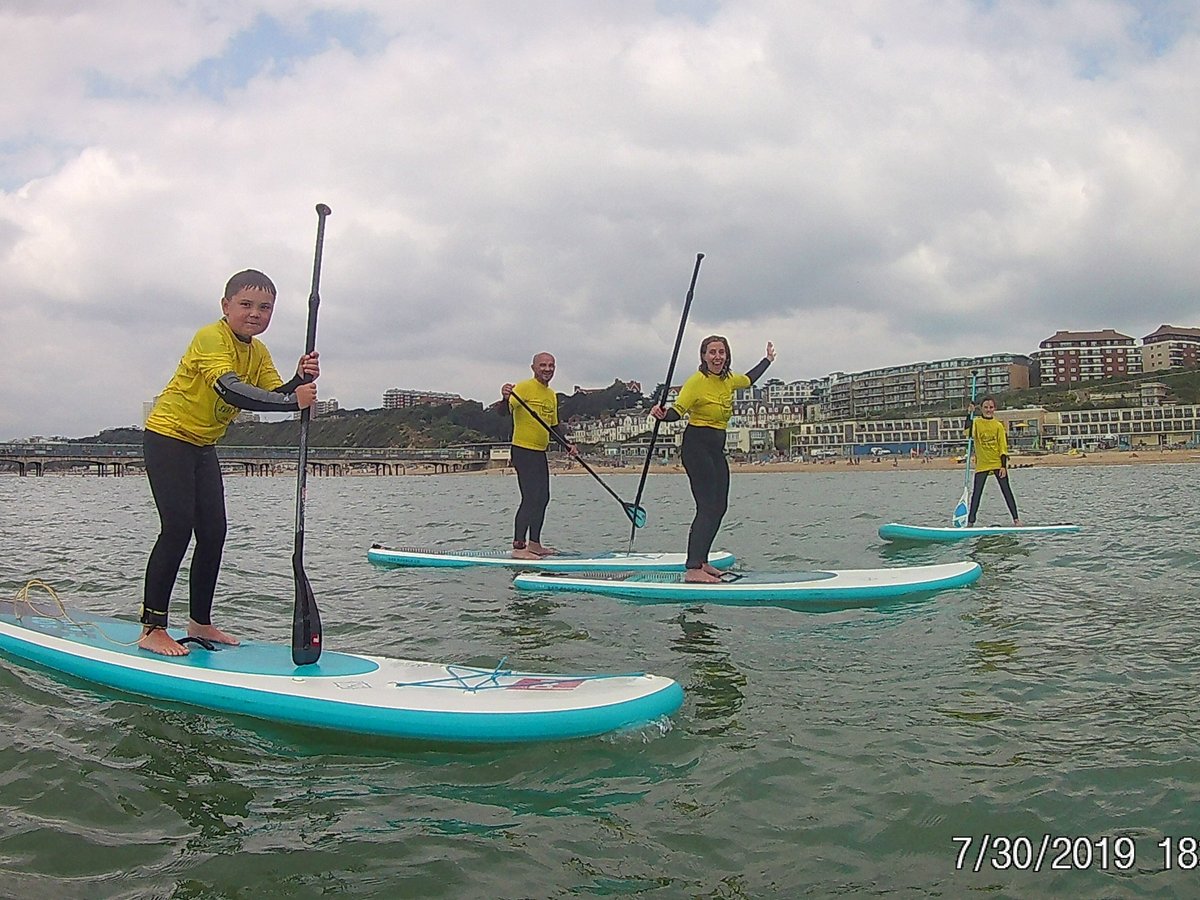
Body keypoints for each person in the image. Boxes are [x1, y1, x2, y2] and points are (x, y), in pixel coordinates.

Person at [139, 269, 320, 656]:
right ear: (226, 306)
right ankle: (153, 627)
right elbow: (232, 390)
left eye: (265, 307)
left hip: (203, 445)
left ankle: (200, 622)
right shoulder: (210, 338)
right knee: (176, 529)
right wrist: (294, 400)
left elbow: (269, 393)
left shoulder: (258, 352)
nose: (255, 313)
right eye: (246, 305)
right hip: (168, 437)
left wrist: (296, 379)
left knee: (214, 532)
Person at [650, 336, 776, 583]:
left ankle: (703, 560)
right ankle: (693, 567)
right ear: (703, 356)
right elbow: (677, 411)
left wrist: (767, 360)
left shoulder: (729, 380)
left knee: (720, 507)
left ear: (726, 355)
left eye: (722, 352)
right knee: (706, 507)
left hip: (716, 448)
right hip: (696, 446)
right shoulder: (696, 382)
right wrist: (662, 415)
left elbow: (749, 379)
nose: (717, 357)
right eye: (712, 353)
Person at [501, 352, 578, 559]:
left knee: (543, 498)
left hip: (539, 452)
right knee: (530, 497)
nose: (547, 369)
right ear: (533, 367)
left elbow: (553, 426)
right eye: (543, 365)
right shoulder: (523, 387)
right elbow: (503, 412)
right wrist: (504, 396)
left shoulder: (551, 395)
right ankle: (519, 547)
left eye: (551, 365)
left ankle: (534, 544)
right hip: (523, 450)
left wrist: (567, 444)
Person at [964, 396, 1021, 527]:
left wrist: (1003, 466)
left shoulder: (998, 426)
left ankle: (1016, 520)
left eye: (991, 407)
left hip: (997, 463)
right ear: (981, 409)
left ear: (994, 409)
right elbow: (967, 433)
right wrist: (969, 414)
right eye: (985, 407)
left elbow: (1003, 447)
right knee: (976, 494)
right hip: (982, 464)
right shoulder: (977, 422)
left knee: (1007, 491)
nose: (988, 410)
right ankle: (970, 523)